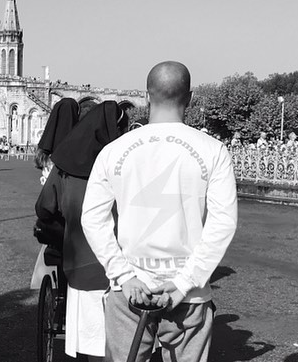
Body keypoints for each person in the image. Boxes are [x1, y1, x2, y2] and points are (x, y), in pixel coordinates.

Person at [81, 61, 238, 362]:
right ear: (190, 98)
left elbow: (92, 219)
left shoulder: (113, 151)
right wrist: (184, 282)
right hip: (188, 292)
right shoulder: (212, 150)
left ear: (147, 95)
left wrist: (123, 275)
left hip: (130, 289)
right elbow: (223, 223)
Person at [36, 101, 127, 361]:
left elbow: (44, 209)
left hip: (81, 263)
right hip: (126, 263)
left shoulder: (65, 168)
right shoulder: (124, 165)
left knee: (93, 344)